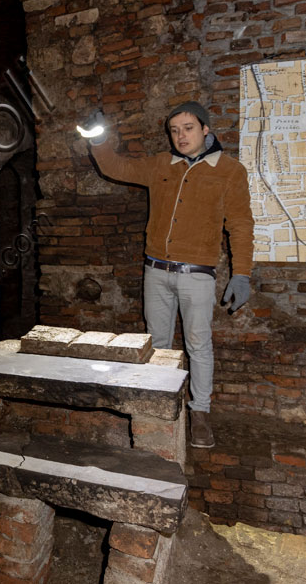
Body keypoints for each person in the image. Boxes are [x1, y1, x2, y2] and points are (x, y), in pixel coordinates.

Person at [82, 101, 254, 448]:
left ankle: (200, 414)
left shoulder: (230, 171)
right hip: (156, 271)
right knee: (158, 344)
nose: (181, 136)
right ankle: (161, 407)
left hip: (198, 275)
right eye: (175, 130)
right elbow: (114, 166)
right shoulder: (162, 165)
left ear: (206, 129)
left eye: (188, 128)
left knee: (198, 346)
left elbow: (240, 225)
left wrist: (242, 274)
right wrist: (97, 136)